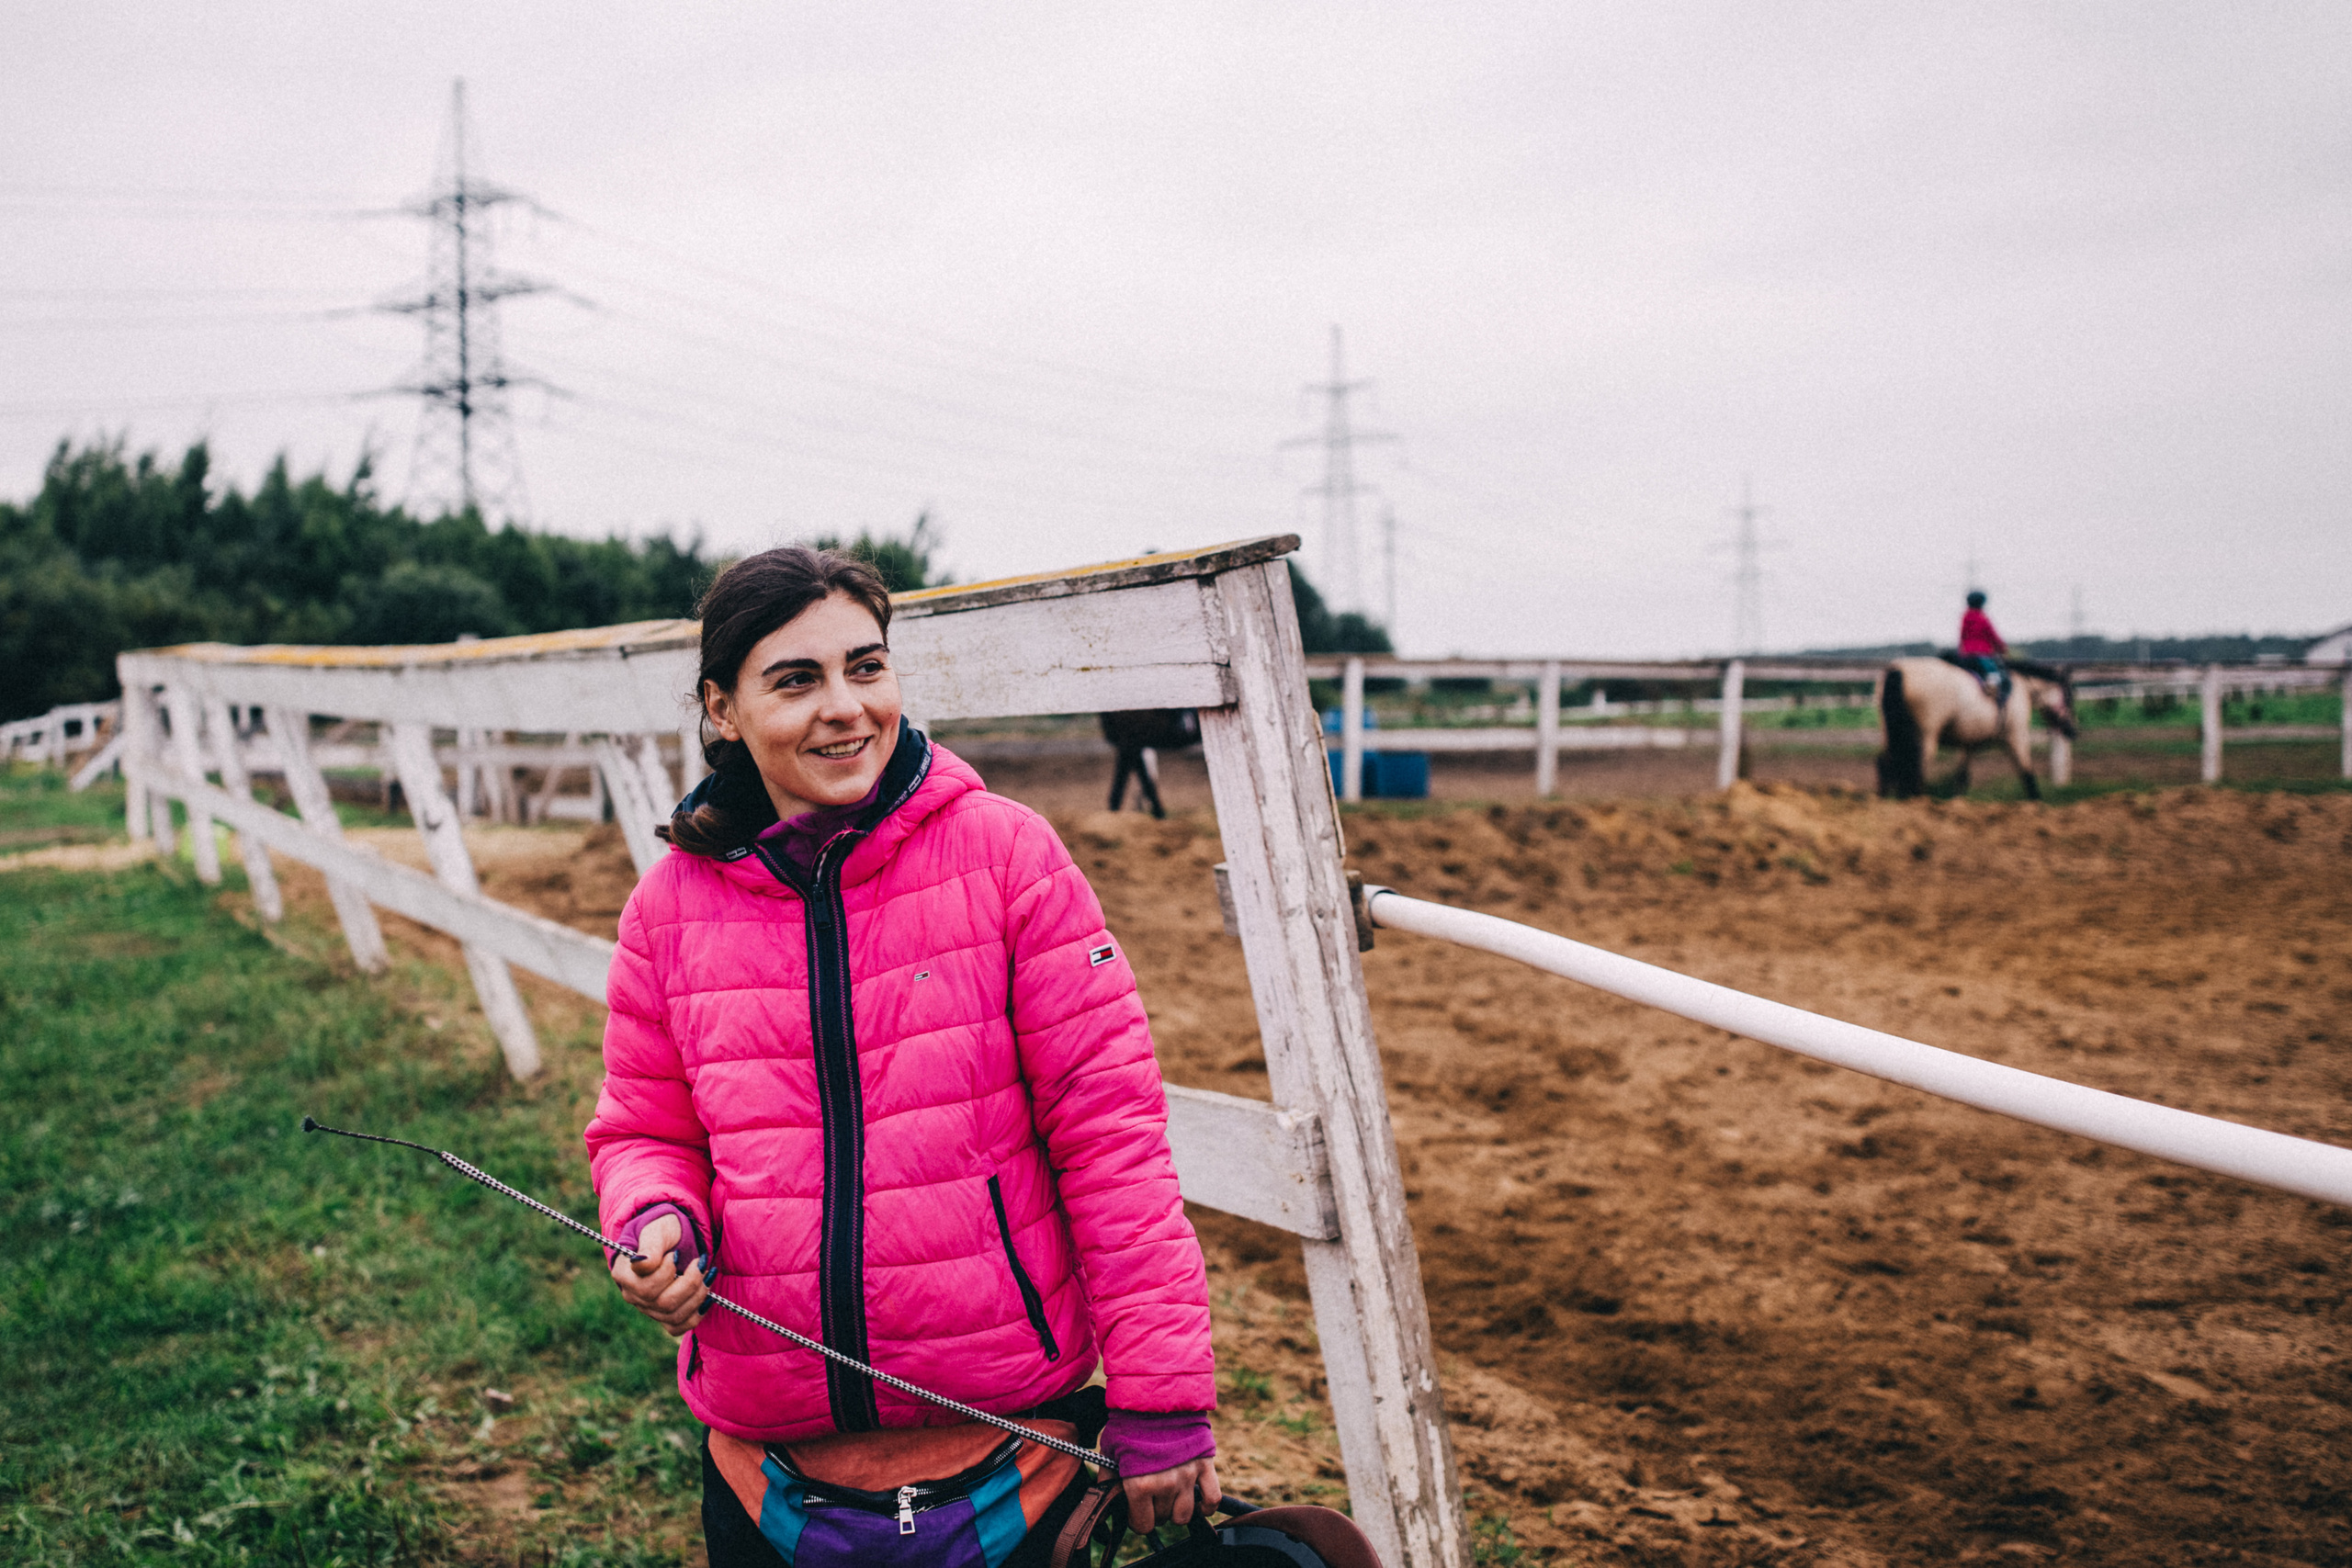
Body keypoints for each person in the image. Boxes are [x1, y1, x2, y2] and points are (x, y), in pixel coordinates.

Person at [583, 547, 1218, 1566]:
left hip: (1018, 1452)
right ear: (722, 709)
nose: (845, 707)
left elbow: (1112, 1144)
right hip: (764, 1466)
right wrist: (656, 1220)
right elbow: (645, 1128)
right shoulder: (667, 908)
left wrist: (1163, 1398)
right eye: (796, 680)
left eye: (866, 668)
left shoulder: (1012, 861)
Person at [1958, 590, 2011, 708]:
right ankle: (2000, 699)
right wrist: (2002, 648)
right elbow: (1993, 636)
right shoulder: (1983, 618)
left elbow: (1962, 636)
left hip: (1965, 656)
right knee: (1996, 676)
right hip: (1982, 656)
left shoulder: (1965, 617)